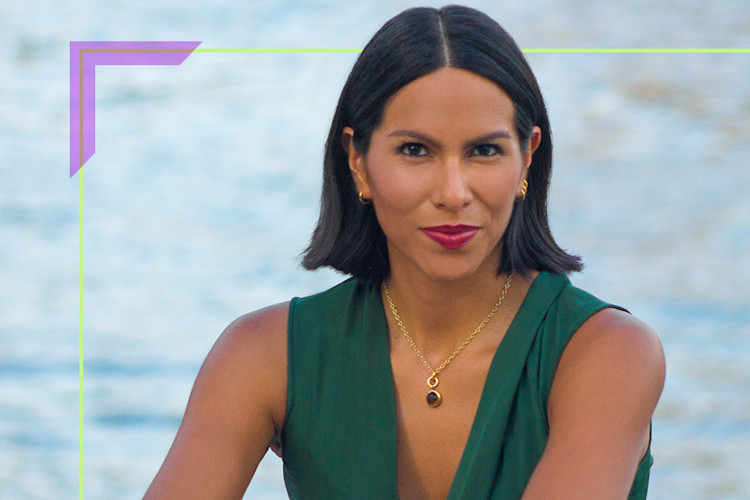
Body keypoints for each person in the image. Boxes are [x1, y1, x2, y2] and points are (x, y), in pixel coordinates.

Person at [145, 5, 665, 499]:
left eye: (484, 150)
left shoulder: (607, 353)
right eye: (416, 150)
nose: (453, 193)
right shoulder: (266, 355)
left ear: (527, 157)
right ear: (358, 161)